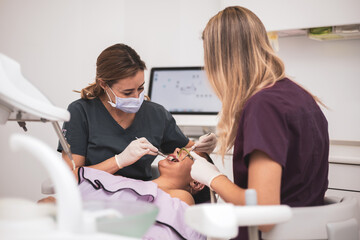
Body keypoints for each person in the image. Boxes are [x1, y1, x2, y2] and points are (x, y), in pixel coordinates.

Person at [189, 6, 329, 240]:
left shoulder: (263, 106)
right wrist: (226, 138)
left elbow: (264, 214)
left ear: (220, 60)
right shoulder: (297, 95)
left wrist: (213, 177)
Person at [57, 43, 216, 180]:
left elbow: (187, 152)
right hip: (92, 197)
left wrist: (203, 147)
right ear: (104, 84)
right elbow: (70, 175)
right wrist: (119, 161)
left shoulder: (156, 115)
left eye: (140, 88)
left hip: (140, 199)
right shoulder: (81, 112)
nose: (136, 97)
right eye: (127, 93)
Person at [41, 148, 212, 240]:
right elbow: (62, 180)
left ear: (197, 182)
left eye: (189, 154)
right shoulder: (118, 182)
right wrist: (118, 161)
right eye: (182, 148)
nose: (177, 149)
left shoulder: (181, 197)